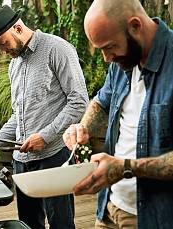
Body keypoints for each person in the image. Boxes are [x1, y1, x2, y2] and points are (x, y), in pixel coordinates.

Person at [0, 5, 89, 229]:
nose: (3, 51)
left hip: (54, 158)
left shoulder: (57, 48)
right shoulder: (14, 65)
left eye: (4, 43)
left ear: (17, 27)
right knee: (27, 225)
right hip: (22, 163)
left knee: (61, 224)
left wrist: (44, 137)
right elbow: (19, 115)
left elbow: (79, 101)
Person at [63, 0, 173, 228]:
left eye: (109, 47)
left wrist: (125, 168)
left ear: (135, 26)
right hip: (109, 206)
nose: (106, 58)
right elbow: (102, 102)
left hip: (154, 218)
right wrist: (83, 127)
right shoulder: (124, 59)